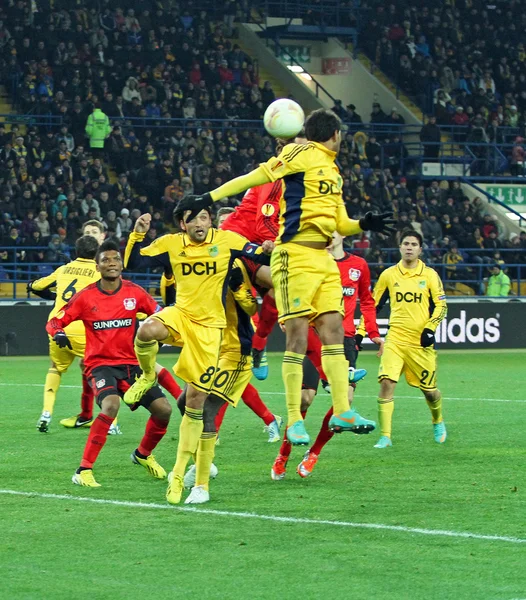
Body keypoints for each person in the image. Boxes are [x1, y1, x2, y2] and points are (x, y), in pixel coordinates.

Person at [177, 108, 395, 446]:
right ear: (335, 134)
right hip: (293, 255)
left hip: (323, 260)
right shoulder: (299, 152)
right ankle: (293, 418)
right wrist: (210, 197)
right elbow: (257, 176)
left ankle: (343, 410)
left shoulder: (333, 172)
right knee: (296, 336)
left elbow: (341, 224)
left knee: (333, 330)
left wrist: (364, 224)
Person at [122, 207, 271, 504]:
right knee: (184, 402)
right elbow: (145, 265)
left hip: (233, 349)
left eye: (209, 219)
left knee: (205, 410)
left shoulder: (243, 262)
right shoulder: (181, 248)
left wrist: (244, 288)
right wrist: (138, 233)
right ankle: (203, 461)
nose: (204, 225)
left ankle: (200, 484)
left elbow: (259, 303)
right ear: (184, 223)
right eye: (194, 219)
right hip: (198, 332)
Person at [46, 240, 172, 487]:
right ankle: (83, 470)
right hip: (100, 365)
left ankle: (142, 455)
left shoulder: (135, 293)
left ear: (121, 264)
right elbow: (55, 321)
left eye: (115, 259)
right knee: (111, 405)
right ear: (98, 265)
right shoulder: (86, 297)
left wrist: (168, 329)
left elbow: (161, 313)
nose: (111, 263)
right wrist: (57, 333)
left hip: (132, 365)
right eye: (105, 260)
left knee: (164, 410)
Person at [272, 231, 383, 480]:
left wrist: (372, 332)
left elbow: (366, 300)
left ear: (342, 231)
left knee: (344, 403)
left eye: (332, 230)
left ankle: (314, 453)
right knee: (304, 399)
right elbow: (288, 288)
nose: (329, 235)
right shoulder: (308, 261)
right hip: (311, 335)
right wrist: (286, 316)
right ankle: (283, 454)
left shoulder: (358, 265)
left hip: (343, 340)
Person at [366, 229, 447, 448]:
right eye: (406, 243)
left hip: (420, 342)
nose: (409, 247)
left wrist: (430, 328)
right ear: (400, 247)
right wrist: (361, 330)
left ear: (420, 250)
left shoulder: (429, 275)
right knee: (386, 382)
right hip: (395, 339)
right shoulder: (389, 275)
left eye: (413, 244)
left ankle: (437, 420)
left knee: (429, 391)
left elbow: (441, 305)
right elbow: (373, 306)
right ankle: (385, 436)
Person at [29, 235, 101, 433]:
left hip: (58, 326)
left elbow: (35, 286)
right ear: (96, 253)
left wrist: (54, 296)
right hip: (84, 330)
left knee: (55, 368)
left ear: (75, 251)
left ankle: (46, 413)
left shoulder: (63, 269)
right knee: (101, 370)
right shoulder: (98, 272)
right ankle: (112, 422)